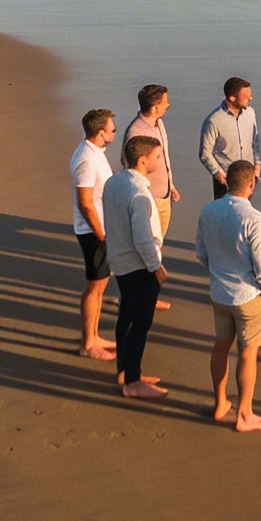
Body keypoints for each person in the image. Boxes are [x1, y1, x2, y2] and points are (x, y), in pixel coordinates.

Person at [196, 159, 261, 432]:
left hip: (219, 293)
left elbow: (202, 254)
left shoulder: (208, 210)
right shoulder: (254, 218)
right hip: (248, 296)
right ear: (251, 184)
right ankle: (245, 414)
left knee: (221, 345)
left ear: (227, 181)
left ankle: (220, 403)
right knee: (248, 354)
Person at [103, 132, 169, 398]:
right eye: (156, 156)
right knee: (140, 323)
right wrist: (156, 268)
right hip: (138, 266)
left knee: (126, 317)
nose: (159, 160)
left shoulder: (114, 182)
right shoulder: (139, 193)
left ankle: (126, 370)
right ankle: (133, 382)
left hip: (119, 261)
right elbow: (143, 239)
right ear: (143, 161)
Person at [126, 85, 180, 309]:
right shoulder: (136, 132)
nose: (168, 105)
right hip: (149, 198)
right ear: (156, 106)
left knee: (157, 245)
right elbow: (130, 166)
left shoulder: (159, 123)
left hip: (164, 193)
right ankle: (144, 294)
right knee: (148, 246)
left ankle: (148, 292)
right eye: (166, 102)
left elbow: (164, 158)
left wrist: (171, 184)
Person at [69, 108, 117, 360]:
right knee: (95, 285)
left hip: (100, 230)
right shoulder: (87, 159)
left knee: (101, 285)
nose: (114, 132)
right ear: (100, 133)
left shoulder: (94, 152)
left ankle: (94, 335)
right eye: (112, 129)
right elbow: (85, 202)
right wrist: (101, 233)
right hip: (93, 232)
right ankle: (88, 343)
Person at [197, 76, 260, 198]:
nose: (250, 99)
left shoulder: (250, 113)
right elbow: (205, 154)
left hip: (248, 178)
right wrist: (218, 175)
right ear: (232, 98)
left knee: (244, 213)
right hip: (226, 180)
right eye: (246, 97)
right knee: (224, 215)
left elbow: (255, 142)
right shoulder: (214, 121)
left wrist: (257, 166)